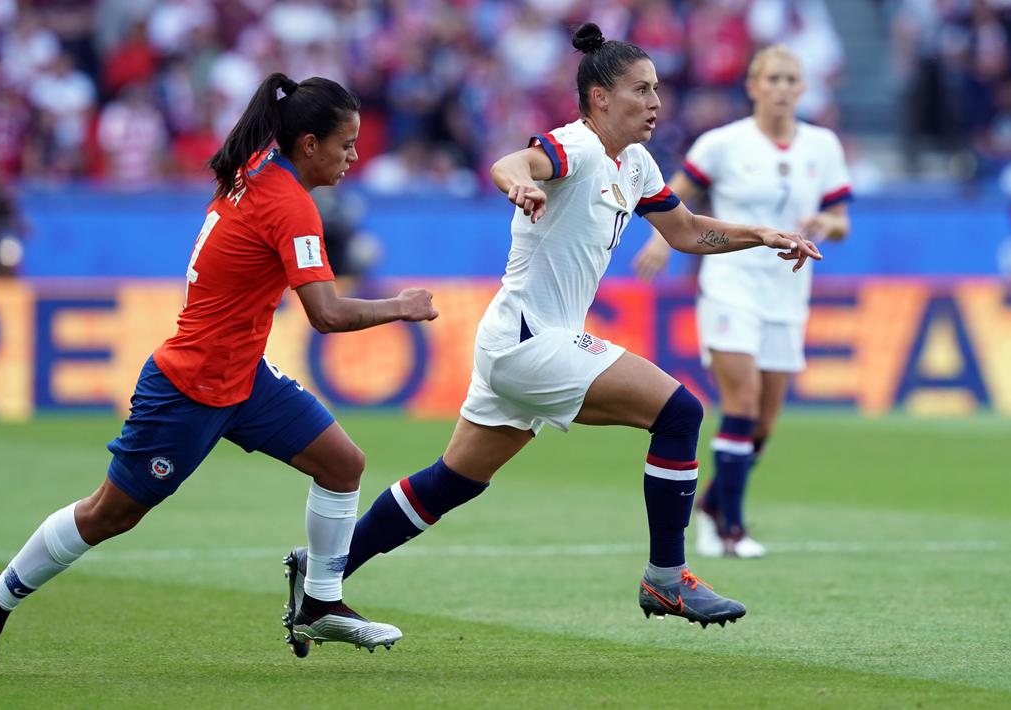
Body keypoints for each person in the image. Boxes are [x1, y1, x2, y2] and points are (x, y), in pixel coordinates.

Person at [279, 23, 822, 654]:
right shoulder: (576, 148)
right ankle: (666, 579)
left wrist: (764, 234)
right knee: (681, 412)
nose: (655, 103)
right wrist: (521, 183)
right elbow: (513, 160)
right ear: (598, 99)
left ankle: (321, 575)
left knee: (453, 480)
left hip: (522, 340)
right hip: (531, 340)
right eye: (640, 90)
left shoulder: (636, 163)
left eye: (657, 90)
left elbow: (687, 231)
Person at [0, 73, 439, 677]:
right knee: (111, 513)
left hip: (243, 376)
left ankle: (317, 599)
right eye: (345, 144)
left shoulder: (260, 167)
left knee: (342, 464)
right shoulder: (290, 204)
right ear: (309, 144)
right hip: (192, 385)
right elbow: (326, 313)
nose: (354, 157)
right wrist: (403, 305)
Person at [632, 45, 852, 559]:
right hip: (730, 283)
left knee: (765, 424)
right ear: (752, 86)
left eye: (790, 79)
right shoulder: (722, 144)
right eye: (771, 78)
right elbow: (674, 197)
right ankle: (732, 528)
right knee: (742, 402)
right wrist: (659, 243)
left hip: (787, 291)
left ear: (802, 88)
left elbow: (842, 218)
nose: (781, 88)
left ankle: (712, 503)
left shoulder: (822, 147)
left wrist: (825, 223)